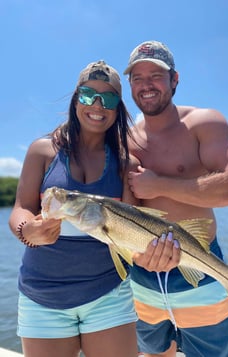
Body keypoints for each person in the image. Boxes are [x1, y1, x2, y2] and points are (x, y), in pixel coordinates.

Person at [9, 60, 144, 357]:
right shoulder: (42, 151)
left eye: (108, 98)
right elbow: (21, 208)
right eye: (88, 95)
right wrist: (27, 229)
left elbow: (131, 236)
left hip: (109, 293)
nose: (97, 104)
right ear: (75, 99)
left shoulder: (126, 165)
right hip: (41, 295)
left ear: (118, 107)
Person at [124, 41, 228, 357]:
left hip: (200, 262)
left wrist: (159, 185)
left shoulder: (204, 122)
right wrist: (136, 256)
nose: (146, 85)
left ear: (175, 79)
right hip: (143, 269)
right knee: (153, 352)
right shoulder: (127, 140)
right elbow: (125, 209)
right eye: (137, 78)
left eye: (156, 75)